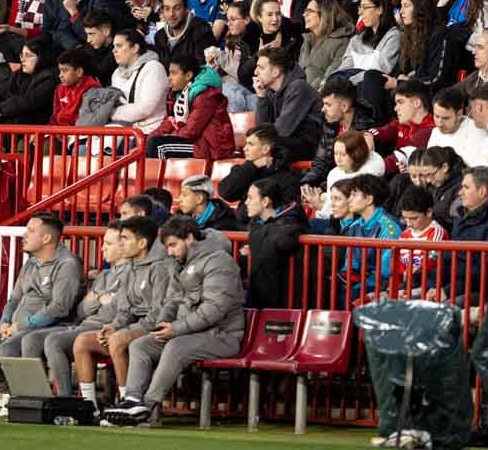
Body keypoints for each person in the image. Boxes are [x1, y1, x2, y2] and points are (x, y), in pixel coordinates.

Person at [104, 216, 245, 427]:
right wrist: (161, 326)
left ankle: (146, 407)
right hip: (187, 333)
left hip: (222, 336)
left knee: (176, 347)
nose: (169, 252)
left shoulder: (219, 261)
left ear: (189, 238)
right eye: (166, 247)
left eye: (173, 245)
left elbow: (214, 310)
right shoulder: (178, 263)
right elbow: (171, 301)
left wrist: (176, 329)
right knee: (140, 345)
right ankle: (132, 401)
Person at [0, 213, 83, 417]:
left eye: (31, 230)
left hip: (50, 327)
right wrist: (4, 322)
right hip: (13, 327)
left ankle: (34, 403)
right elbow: (14, 299)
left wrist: (22, 326)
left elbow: (59, 308)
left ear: (47, 238)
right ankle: (17, 396)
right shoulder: (31, 262)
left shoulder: (67, 264)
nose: (24, 235)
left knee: (6, 349)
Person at [71, 215, 172, 413]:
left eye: (125, 239)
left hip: (154, 329)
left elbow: (159, 313)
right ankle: (90, 407)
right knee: (82, 341)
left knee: (117, 340)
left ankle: (129, 406)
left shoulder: (160, 269)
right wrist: (114, 326)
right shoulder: (129, 269)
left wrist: (125, 331)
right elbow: (124, 310)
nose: (121, 243)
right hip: (130, 328)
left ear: (142, 243)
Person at [41, 222, 127, 398]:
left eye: (108, 244)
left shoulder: (131, 273)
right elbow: (82, 310)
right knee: (33, 339)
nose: (102, 249)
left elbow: (113, 311)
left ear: (124, 246)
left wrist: (96, 298)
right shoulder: (104, 275)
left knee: (54, 341)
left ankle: (67, 400)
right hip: (84, 325)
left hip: (104, 329)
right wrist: (101, 299)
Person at [427, 166, 488, 305]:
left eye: (466, 187)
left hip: (484, 294)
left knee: (446, 309)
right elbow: (447, 259)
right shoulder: (462, 218)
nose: (460, 192)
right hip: (452, 287)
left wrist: (449, 290)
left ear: (482, 191)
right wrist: (433, 285)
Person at [145, 54, 232, 160]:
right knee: (139, 142)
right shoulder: (177, 94)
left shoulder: (205, 95)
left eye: (174, 73)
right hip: (190, 140)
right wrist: (146, 139)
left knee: (158, 145)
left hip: (209, 146)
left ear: (188, 75)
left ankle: (158, 177)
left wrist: (168, 135)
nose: (169, 78)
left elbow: (191, 131)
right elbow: (169, 122)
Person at [245, 177, 308, 308]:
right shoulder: (256, 224)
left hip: (286, 296)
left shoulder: (291, 221)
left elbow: (283, 243)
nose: (246, 202)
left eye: (250, 198)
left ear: (265, 201)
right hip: (263, 291)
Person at [254, 46, 323, 162]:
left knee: (264, 147)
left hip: (310, 146)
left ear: (275, 72)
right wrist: (262, 97)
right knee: (257, 145)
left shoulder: (298, 87)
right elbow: (261, 130)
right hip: (288, 143)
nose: (256, 72)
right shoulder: (271, 92)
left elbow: (282, 130)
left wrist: (259, 141)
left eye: (261, 68)